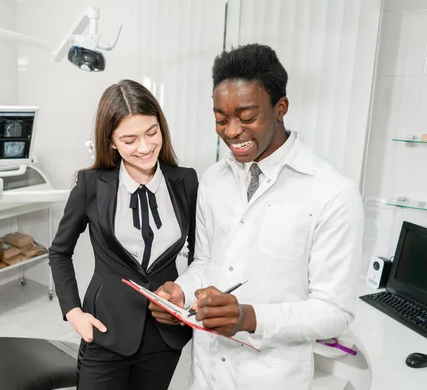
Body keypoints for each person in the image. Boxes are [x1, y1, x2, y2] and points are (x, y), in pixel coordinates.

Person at [150, 44, 364, 389]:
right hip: (205, 371)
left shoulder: (331, 192)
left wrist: (251, 318)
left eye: (247, 117)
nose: (232, 131)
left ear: (281, 108)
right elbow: (205, 262)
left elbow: (334, 311)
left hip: (271, 377)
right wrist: (182, 293)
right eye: (221, 118)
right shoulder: (214, 180)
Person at [48, 79, 198, 389]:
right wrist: (72, 311)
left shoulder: (186, 181)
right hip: (105, 329)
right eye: (129, 140)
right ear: (111, 141)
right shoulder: (91, 184)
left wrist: (189, 297)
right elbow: (59, 251)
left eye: (151, 133)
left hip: (165, 332)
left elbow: (201, 254)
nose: (144, 148)